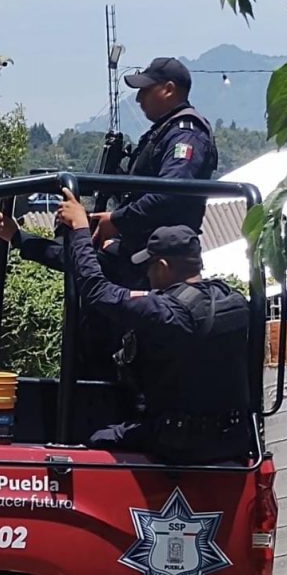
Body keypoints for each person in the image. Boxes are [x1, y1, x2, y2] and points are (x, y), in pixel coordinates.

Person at [56, 188, 251, 465]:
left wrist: (79, 229)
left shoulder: (162, 311)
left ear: (162, 266)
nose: (146, 273)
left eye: (149, 266)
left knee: (95, 440)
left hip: (176, 443)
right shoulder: (235, 301)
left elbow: (96, 291)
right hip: (230, 440)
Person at [0, 56, 217, 289]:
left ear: (168, 90)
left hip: (159, 257)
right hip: (140, 248)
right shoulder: (163, 132)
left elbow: (171, 192)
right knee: (80, 251)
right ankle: (17, 236)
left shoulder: (186, 134)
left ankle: (18, 237)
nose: (138, 98)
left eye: (145, 90)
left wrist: (118, 220)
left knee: (87, 263)